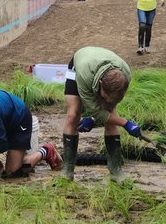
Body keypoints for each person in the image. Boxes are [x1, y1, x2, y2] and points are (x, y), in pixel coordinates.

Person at [60, 46, 143, 181]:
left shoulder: (125, 76)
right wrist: (125, 123)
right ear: (100, 84)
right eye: (104, 97)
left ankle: (116, 170)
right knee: (73, 115)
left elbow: (106, 110)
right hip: (79, 66)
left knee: (110, 117)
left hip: (103, 65)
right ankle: (68, 169)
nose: (107, 100)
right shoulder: (85, 75)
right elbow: (93, 108)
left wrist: (94, 118)